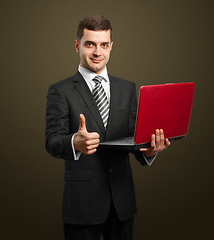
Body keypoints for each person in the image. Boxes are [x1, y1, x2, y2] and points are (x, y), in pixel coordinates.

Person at [45, 15, 170, 240]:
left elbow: (133, 139)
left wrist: (149, 151)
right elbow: (52, 141)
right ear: (77, 45)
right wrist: (75, 142)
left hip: (122, 203)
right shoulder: (60, 91)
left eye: (104, 45)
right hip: (82, 204)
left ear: (111, 46)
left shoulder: (127, 88)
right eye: (90, 44)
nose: (97, 52)